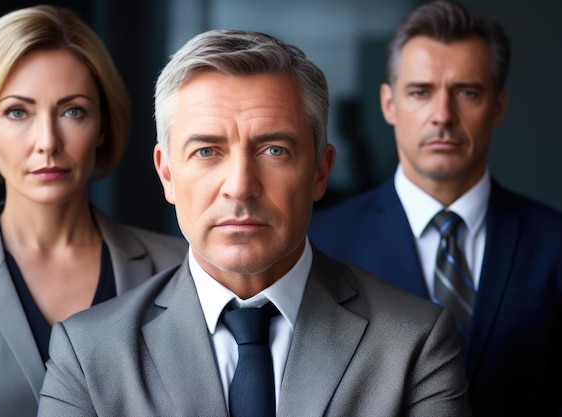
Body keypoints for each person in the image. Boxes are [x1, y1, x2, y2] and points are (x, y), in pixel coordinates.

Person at [38, 29, 471, 416]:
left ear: (320, 171)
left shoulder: (415, 343)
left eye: (274, 150)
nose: (240, 187)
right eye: (207, 151)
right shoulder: (88, 355)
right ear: (167, 174)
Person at [308, 1, 562, 416]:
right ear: (389, 104)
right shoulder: (321, 242)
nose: (443, 116)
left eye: (467, 92)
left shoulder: (554, 245)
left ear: (498, 106)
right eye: (421, 92)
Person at [0, 6, 187, 417]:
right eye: (18, 112)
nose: (47, 142)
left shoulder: (180, 271)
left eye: (73, 111)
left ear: (102, 124)